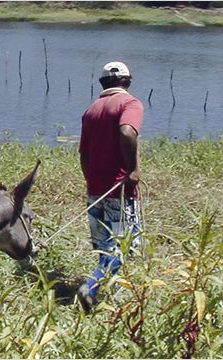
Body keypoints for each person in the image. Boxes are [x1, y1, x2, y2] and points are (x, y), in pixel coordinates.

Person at [77, 61, 144, 312]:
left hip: (96, 191)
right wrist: (133, 170)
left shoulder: (91, 110)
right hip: (120, 190)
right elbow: (127, 132)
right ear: (127, 82)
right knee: (125, 246)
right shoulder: (130, 104)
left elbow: (83, 154)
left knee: (106, 246)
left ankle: (115, 294)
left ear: (103, 83)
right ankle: (90, 287)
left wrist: (90, 181)